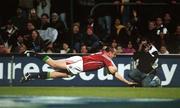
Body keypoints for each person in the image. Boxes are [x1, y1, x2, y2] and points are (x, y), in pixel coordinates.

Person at [20, 47, 135, 85]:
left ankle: (30, 75)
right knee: (54, 64)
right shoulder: (106, 57)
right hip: (78, 63)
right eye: (114, 54)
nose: (114, 56)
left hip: (79, 67)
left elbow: (112, 71)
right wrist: (127, 81)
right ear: (109, 52)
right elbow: (113, 71)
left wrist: (127, 82)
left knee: (55, 75)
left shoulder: (104, 56)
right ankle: (34, 53)